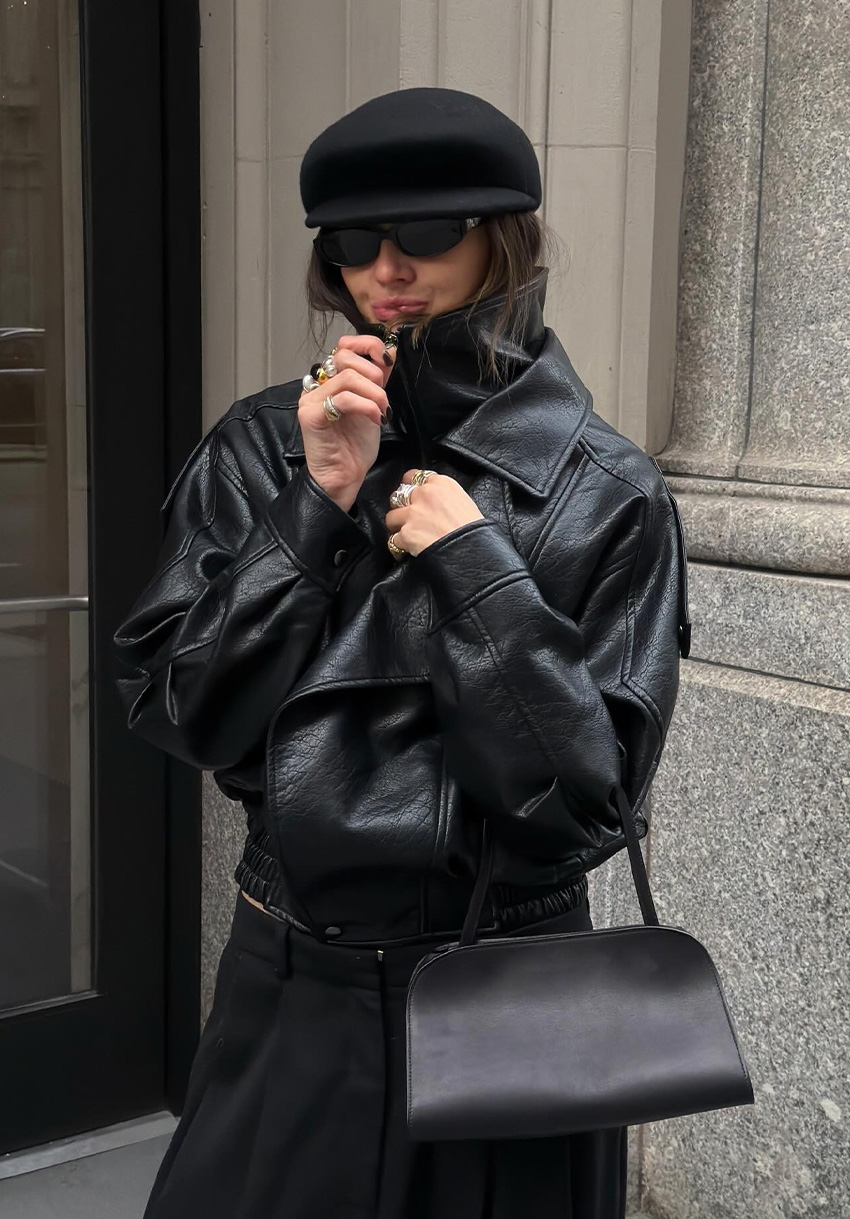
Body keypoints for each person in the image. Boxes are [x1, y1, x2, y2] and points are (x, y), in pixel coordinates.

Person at [113, 87, 690, 1219]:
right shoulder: (263, 449)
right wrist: (314, 507)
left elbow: (589, 802)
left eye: (428, 232)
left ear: (503, 238)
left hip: (505, 987)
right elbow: (183, 710)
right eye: (353, 240)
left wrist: (479, 572)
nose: (387, 268)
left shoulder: (605, 490)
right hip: (293, 974)